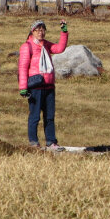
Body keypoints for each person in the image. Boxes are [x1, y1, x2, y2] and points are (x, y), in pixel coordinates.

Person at [18, 19, 68, 150]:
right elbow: (22, 67)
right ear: (32, 31)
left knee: (49, 116)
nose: (41, 32)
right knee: (35, 116)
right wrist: (23, 88)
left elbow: (60, 48)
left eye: (43, 29)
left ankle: (51, 142)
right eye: (38, 30)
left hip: (49, 86)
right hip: (35, 86)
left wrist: (64, 32)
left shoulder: (46, 45)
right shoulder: (26, 46)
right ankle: (34, 143)